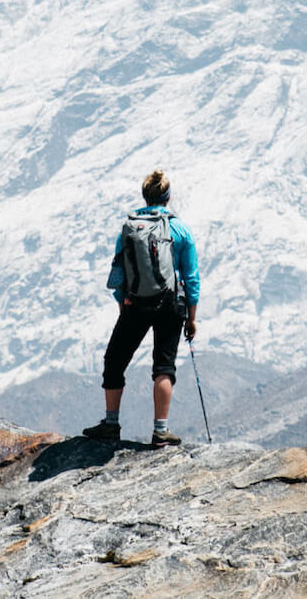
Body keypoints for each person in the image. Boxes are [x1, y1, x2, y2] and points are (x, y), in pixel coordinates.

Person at [82, 170, 200, 446]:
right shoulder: (180, 229)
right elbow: (191, 277)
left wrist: (125, 304)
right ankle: (160, 430)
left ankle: (111, 424)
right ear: (168, 198)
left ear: (144, 196)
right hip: (170, 304)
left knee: (114, 360)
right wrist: (191, 318)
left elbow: (119, 271)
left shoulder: (130, 226)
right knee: (163, 366)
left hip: (135, 304)